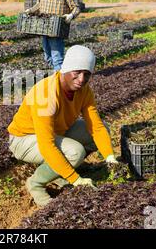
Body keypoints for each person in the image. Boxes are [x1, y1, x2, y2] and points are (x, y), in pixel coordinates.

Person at [7, 45, 119, 207]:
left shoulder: (84, 91)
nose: (81, 79)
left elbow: (97, 127)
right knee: (75, 152)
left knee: (103, 130)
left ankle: (61, 171)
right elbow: (46, 144)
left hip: (58, 131)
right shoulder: (46, 94)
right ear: (66, 69)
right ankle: (36, 184)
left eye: (87, 74)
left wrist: (110, 157)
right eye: (77, 72)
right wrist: (76, 180)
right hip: (24, 139)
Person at [25, 0, 81, 71]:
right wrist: (30, 10)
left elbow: (76, 8)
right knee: (47, 56)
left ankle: (59, 81)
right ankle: (59, 75)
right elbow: (39, 4)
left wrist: (71, 15)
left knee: (57, 58)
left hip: (57, 29)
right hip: (44, 28)